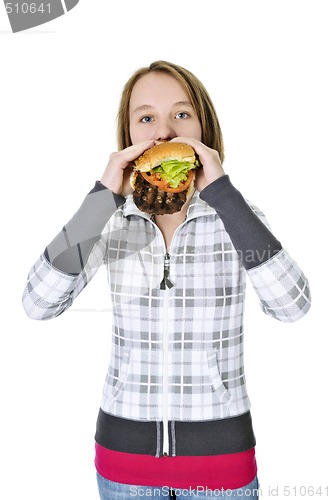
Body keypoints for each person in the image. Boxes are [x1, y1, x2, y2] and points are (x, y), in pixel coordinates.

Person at [22, 60, 311, 499]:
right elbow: (38, 303)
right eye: (145, 117)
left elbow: (293, 306)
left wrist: (223, 193)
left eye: (181, 114)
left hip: (222, 465)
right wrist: (102, 199)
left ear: (203, 128)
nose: (163, 132)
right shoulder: (109, 221)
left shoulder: (234, 216)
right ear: (129, 135)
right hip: (123, 464)